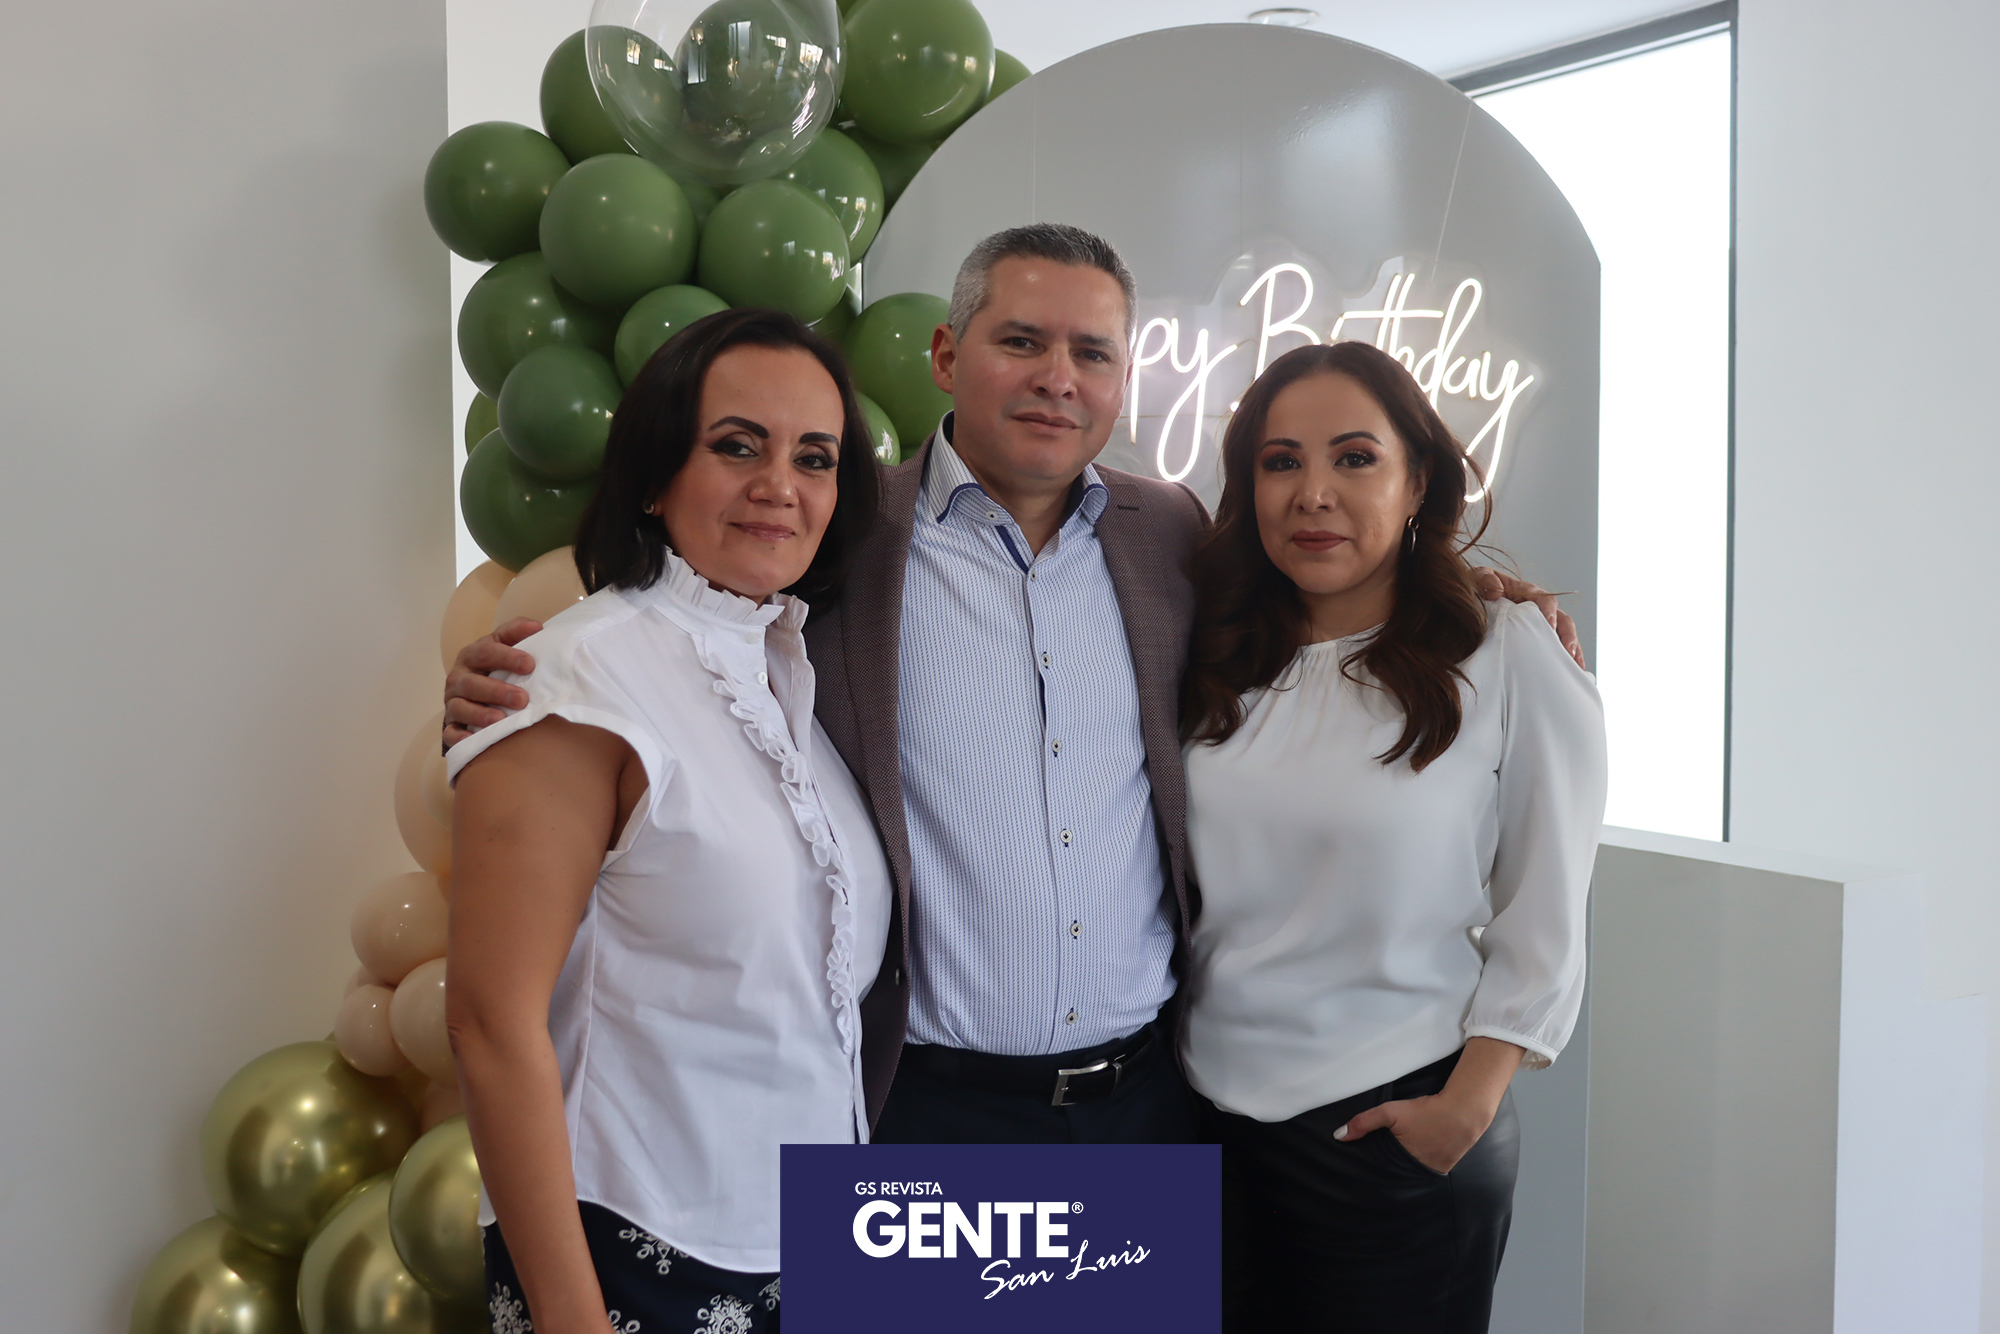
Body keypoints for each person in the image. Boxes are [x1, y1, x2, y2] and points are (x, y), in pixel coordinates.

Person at [445, 224, 1581, 1147]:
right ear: (946, 356)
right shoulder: (845, 530)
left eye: (1092, 352)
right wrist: (522, 679)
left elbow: (1316, 592)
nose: (1056, 378)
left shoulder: (1170, 533)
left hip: (1143, 1102)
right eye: (1021, 340)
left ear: (1122, 381)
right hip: (922, 1107)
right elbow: (691, 623)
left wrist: (1474, 592)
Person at [444, 308, 891, 1333]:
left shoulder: (782, 666)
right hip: (634, 1243)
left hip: (805, 1238)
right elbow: (488, 1024)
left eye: (813, 457)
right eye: (737, 445)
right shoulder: (575, 676)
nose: (779, 484)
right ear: (653, 474)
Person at [1177, 340, 1608, 1332]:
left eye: (1354, 458)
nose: (1312, 492)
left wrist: (1467, 1105)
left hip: (1388, 1125)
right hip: (1199, 1117)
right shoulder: (1215, 651)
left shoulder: (1505, 653)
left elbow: (1546, 905)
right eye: (1280, 461)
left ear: (1418, 481)